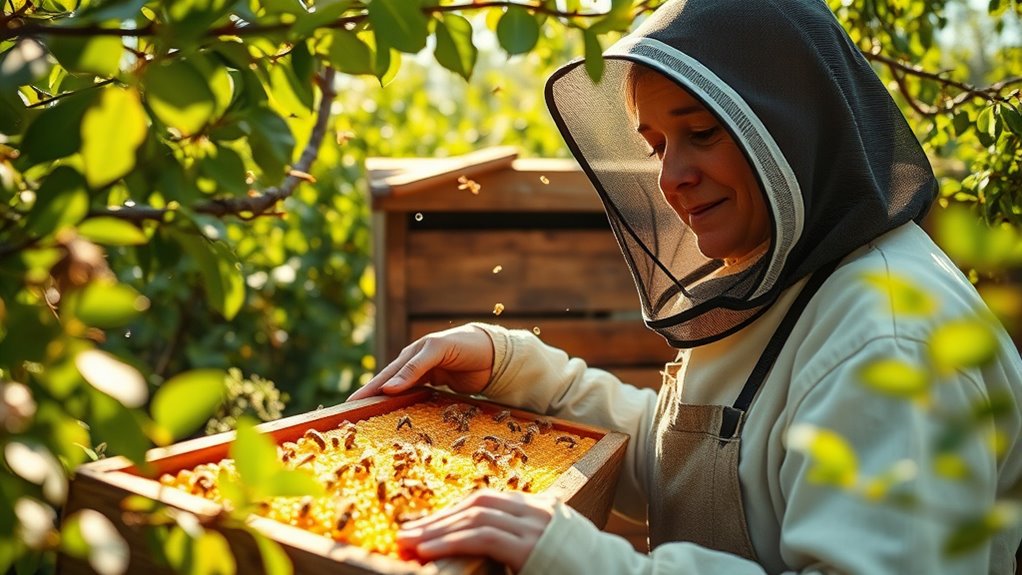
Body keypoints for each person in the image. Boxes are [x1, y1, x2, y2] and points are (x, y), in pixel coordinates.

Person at [348, 0, 1022, 572]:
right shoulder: (788, 274)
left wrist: (589, 561)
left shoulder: (888, 340)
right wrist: (513, 365)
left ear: (790, 129)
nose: (671, 177)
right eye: (656, 144)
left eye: (700, 133)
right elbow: (692, 466)